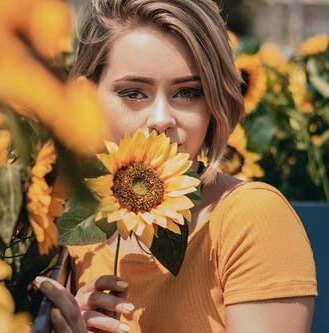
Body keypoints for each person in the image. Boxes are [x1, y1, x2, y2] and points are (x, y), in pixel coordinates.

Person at [35, 0, 317, 332]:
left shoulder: (250, 217)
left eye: (187, 92)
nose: (160, 120)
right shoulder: (66, 225)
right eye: (133, 93)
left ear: (214, 102)